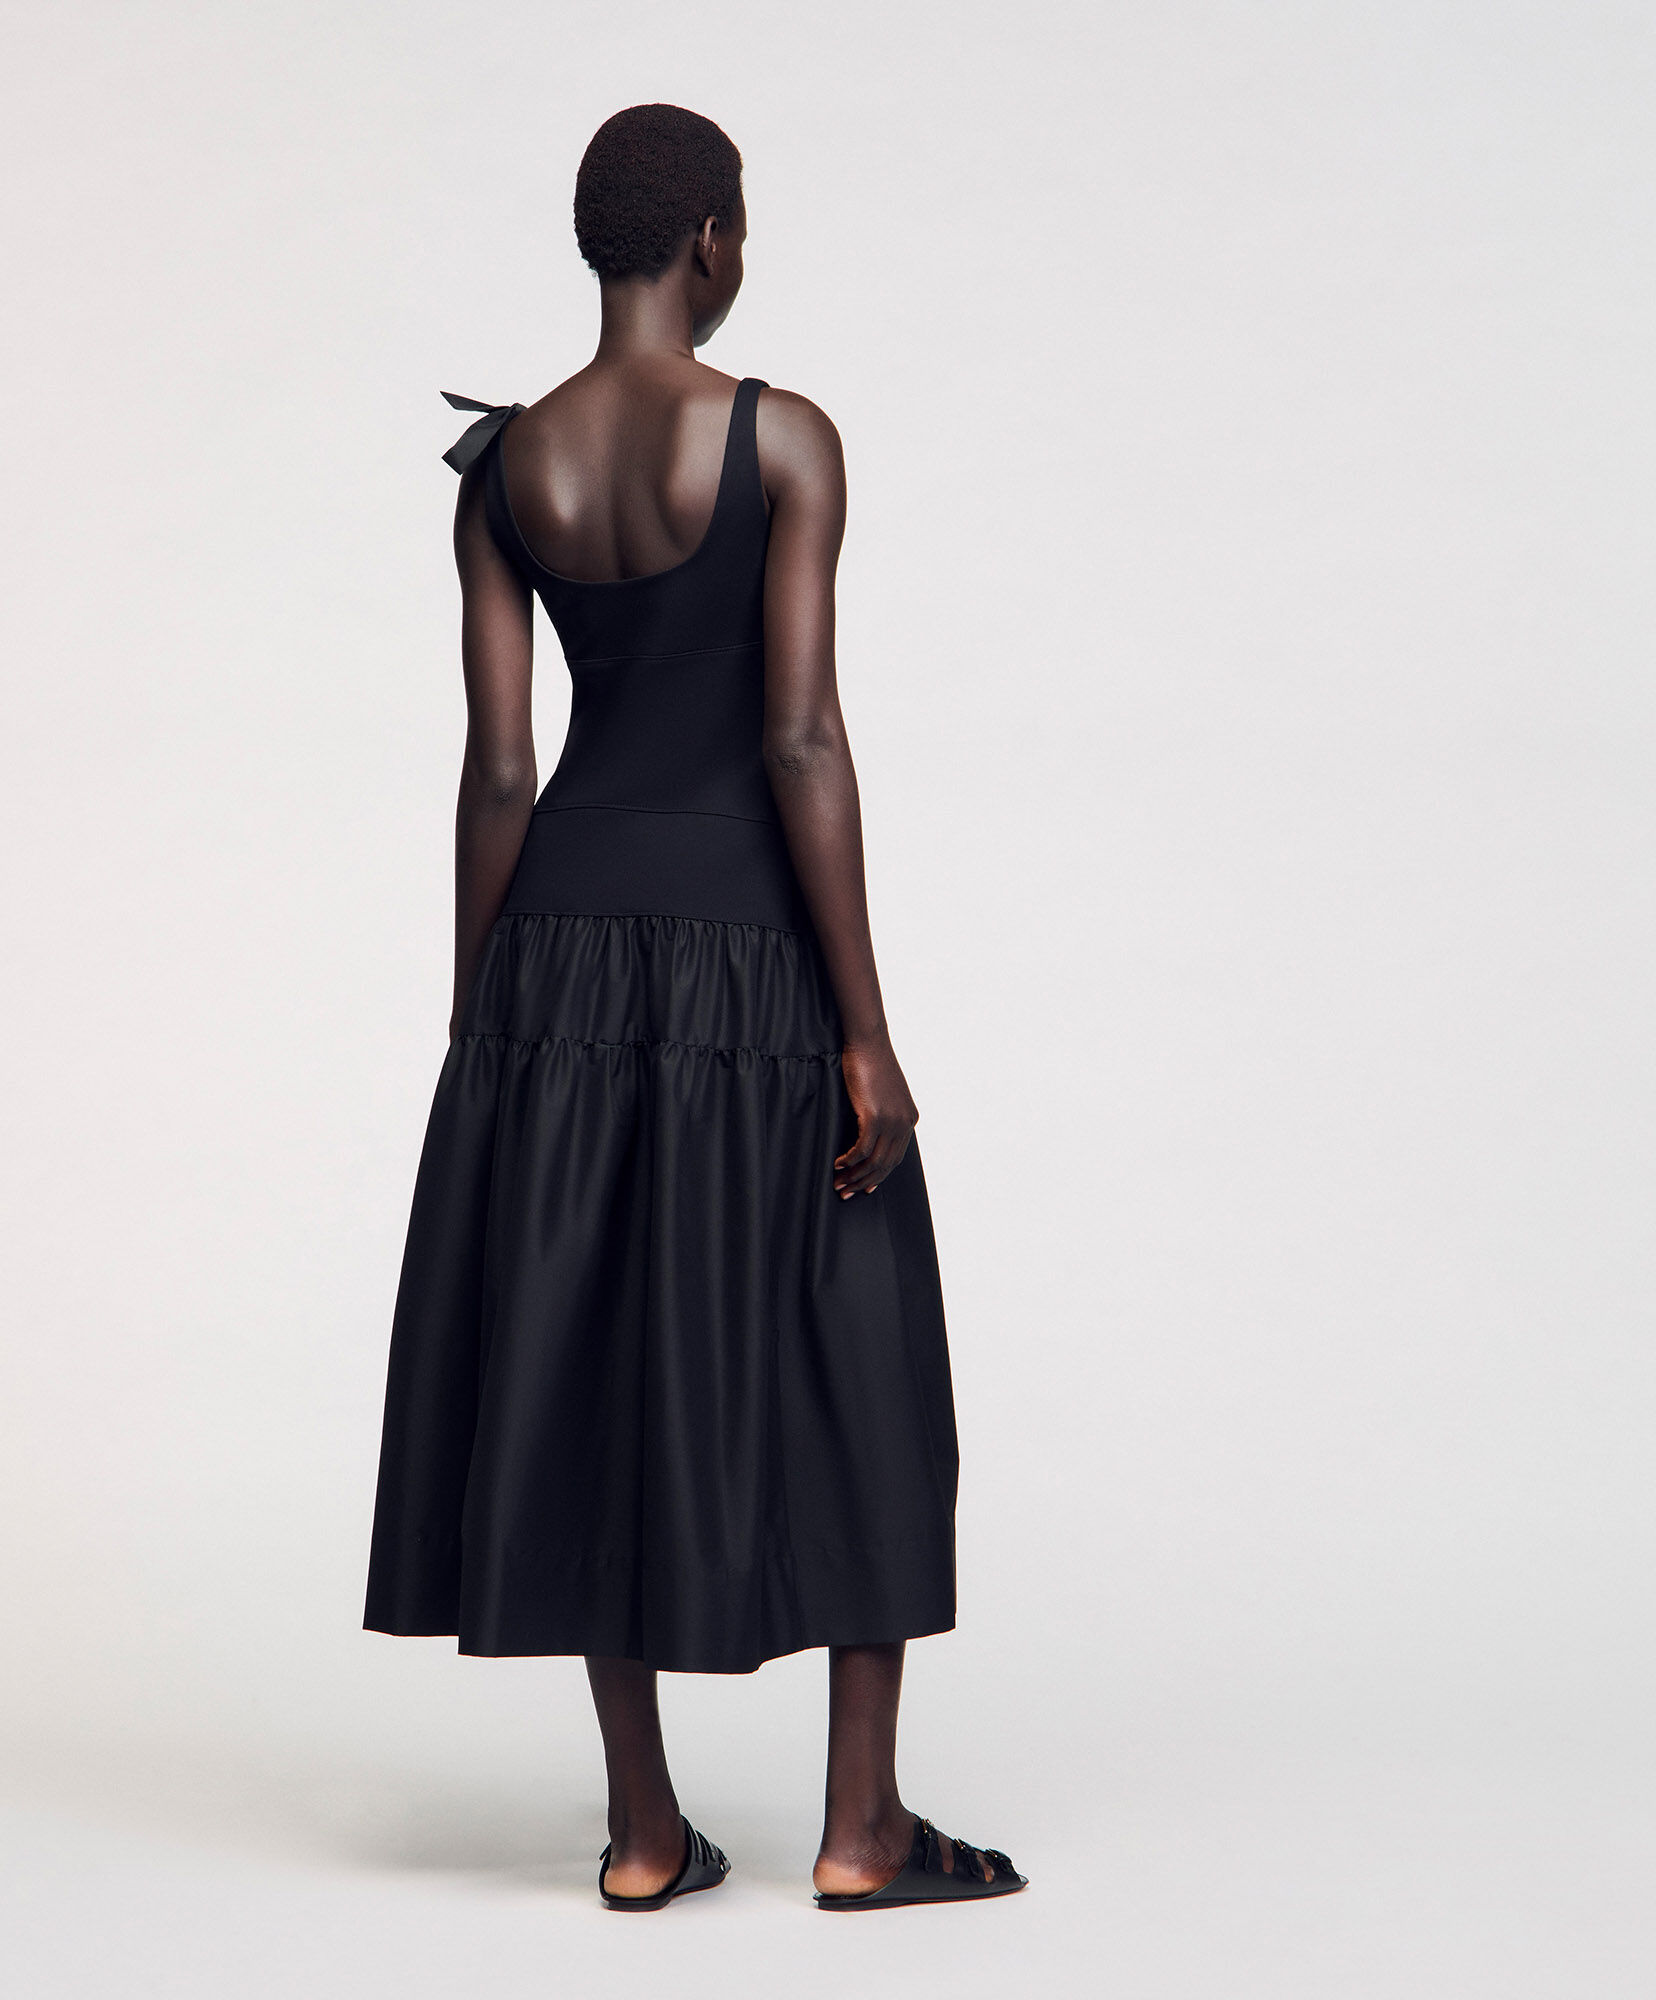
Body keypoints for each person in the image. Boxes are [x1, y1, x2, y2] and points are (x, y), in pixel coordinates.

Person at [364, 103, 1023, 1912]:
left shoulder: (505, 469)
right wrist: (865, 1030)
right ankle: (863, 1830)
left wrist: (484, 1023)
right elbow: (799, 736)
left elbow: (501, 769)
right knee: (860, 1344)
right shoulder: (780, 437)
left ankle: (648, 1833)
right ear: (713, 241)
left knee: (594, 1347)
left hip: (559, 942)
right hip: (746, 940)